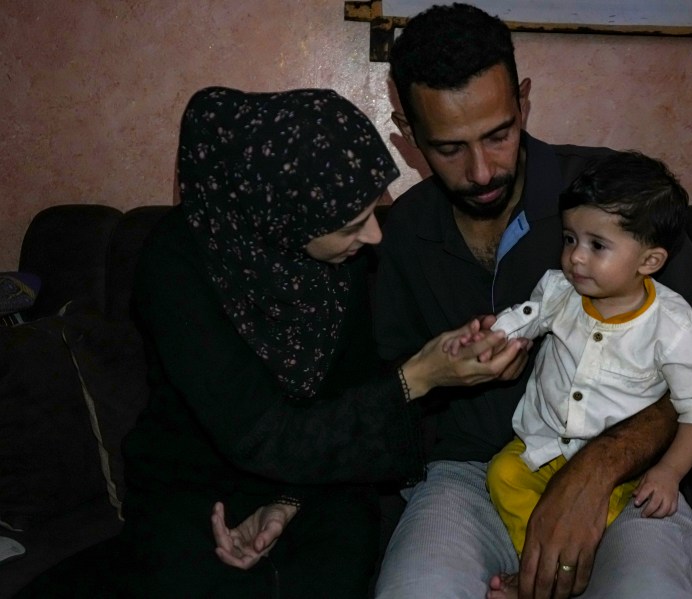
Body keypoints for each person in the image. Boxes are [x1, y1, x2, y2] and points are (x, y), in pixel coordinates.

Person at [372, 4, 692, 599]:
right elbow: (382, 386)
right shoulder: (404, 230)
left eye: (498, 134)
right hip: (467, 479)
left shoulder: (610, 199)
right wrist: (435, 371)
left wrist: (596, 468)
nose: (482, 170)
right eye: (448, 148)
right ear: (408, 135)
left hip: (624, 479)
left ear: (523, 102)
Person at [114, 86, 526, 599]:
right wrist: (417, 377)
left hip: (322, 476)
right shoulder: (175, 266)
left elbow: (347, 389)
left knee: (336, 564)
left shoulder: (337, 262)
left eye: (376, 211)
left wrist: (290, 499)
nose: (376, 236)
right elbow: (261, 433)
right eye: (354, 224)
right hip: (197, 481)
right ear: (282, 217)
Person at [444, 150, 692, 598]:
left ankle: (565, 573)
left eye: (597, 245)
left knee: (605, 524)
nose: (575, 258)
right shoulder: (559, 291)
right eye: (570, 238)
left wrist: (670, 473)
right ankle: (541, 567)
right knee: (502, 474)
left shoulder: (673, 326)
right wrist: (482, 338)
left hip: (618, 476)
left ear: (650, 261)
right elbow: (522, 319)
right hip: (540, 449)